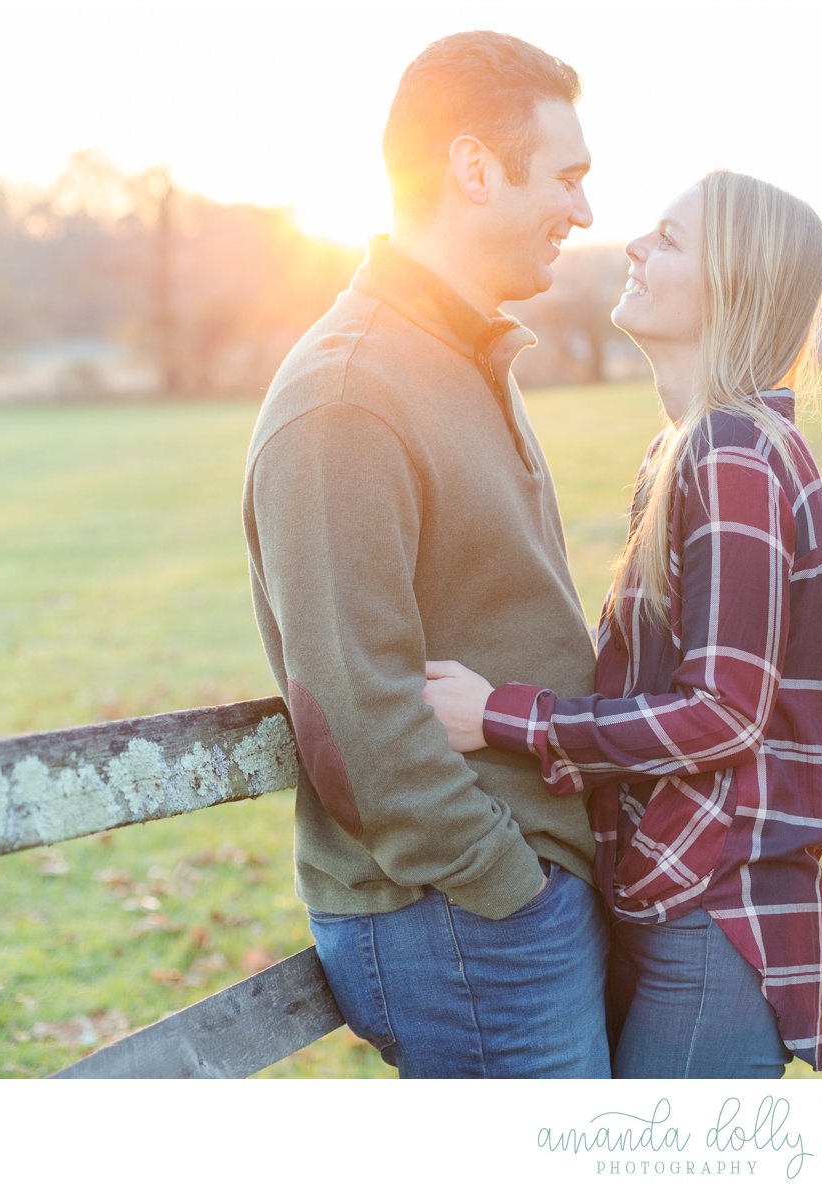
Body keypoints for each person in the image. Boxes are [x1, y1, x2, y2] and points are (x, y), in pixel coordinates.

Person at [421, 169, 822, 1078]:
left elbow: (725, 712)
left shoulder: (731, 451)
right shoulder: (690, 447)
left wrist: (504, 715)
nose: (635, 249)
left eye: (668, 238)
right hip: (678, 900)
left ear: (729, 285)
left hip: (713, 914)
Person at [242, 31, 609, 1078]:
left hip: (519, 890)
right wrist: (505, 883)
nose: (583, 211)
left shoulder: (460, 354)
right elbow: (353, 707)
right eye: (568, 175)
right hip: (462, 914)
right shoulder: (348, 395)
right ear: (474, 167)